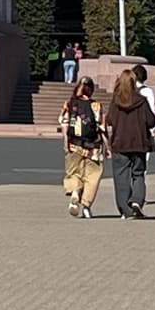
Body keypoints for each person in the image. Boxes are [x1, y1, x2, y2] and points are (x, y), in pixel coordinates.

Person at [104, 71, 155, 220]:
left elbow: (110, 120)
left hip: (120, 143)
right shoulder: (141, 100)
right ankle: (137, 201)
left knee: (121, 177)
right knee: (138, 174)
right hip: (139, 143)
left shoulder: (115, 101)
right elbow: (151, 121)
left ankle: (125, 209)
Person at [58, 78, 104, 219]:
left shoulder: (69, 104)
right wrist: (107, 146)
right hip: (93, 147)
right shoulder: (96, 106)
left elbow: (64, 124)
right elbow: (101, 128)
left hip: (74, 144)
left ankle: (75, 193)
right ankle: (86, 206)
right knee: (93, 176)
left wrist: (66, 142)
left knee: (74, 172)